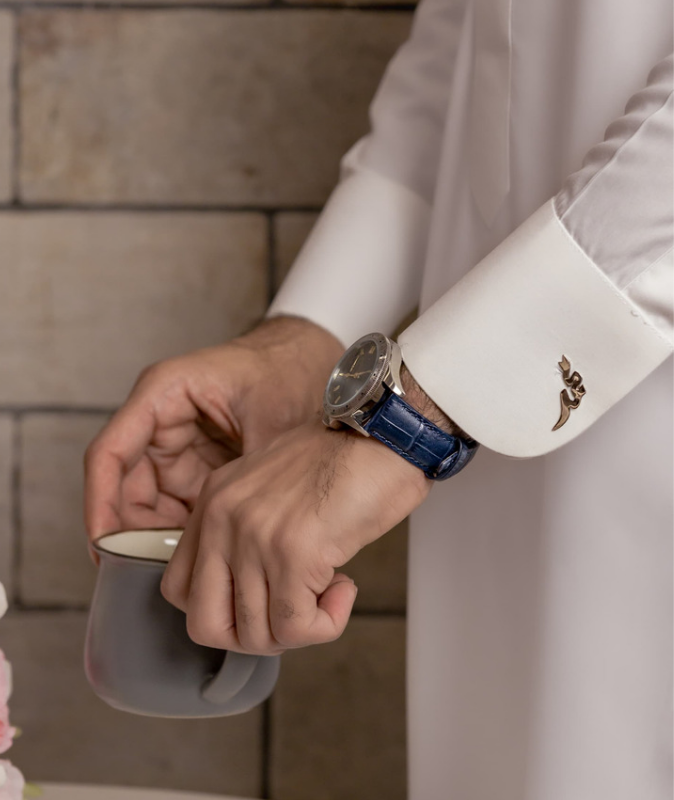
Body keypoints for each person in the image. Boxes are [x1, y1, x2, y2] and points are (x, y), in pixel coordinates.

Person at [84, 0, 674, 796]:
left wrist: (409, 421)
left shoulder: (420, 423)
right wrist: (306, 338)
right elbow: (473, 59)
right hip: (481, 453)